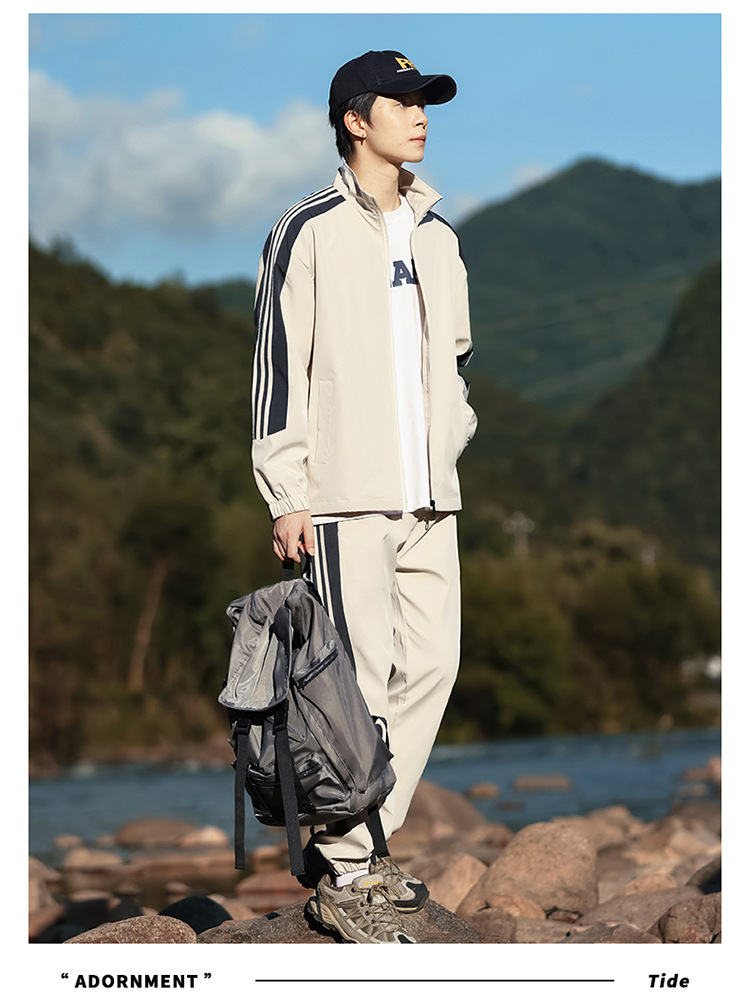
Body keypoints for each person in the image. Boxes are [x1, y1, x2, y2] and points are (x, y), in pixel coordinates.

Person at [251, 49, 477, 944]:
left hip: (431, 497)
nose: (420, 115)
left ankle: (355, 843)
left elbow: (455, 361)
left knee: (435, 668)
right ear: (355, 119)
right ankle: (351, 863)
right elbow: (278, 368)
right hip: (343, 498)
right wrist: (286, 492)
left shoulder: (440, 236)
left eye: (427, 102)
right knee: (359, 687)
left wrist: (451, 437)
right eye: (403, 101)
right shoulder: (305, 229)